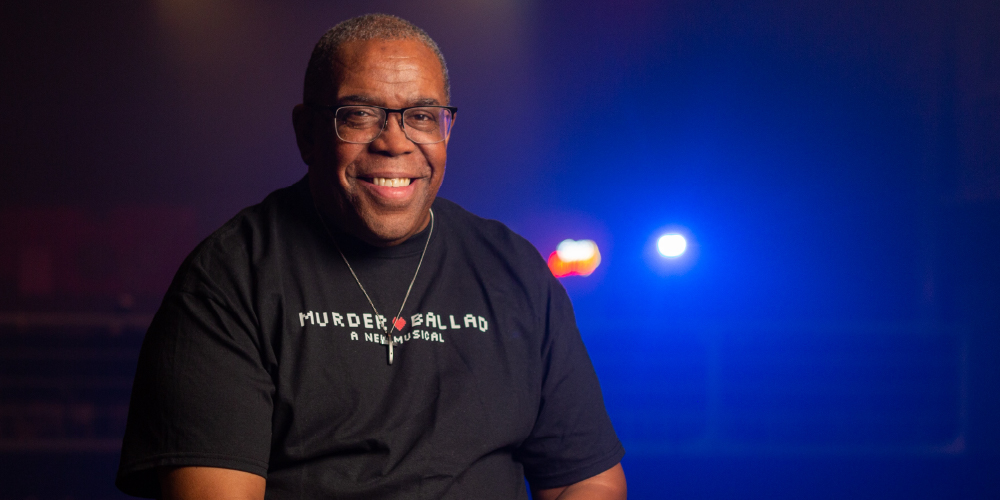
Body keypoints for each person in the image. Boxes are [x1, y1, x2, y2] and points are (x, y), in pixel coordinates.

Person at [116, 13, 625, 500]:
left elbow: (585, 480)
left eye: (422, 117)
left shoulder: (515, 271)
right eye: (359, 114)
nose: (395, 143)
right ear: (307, 134)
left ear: (446, 129)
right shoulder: (229, 278)